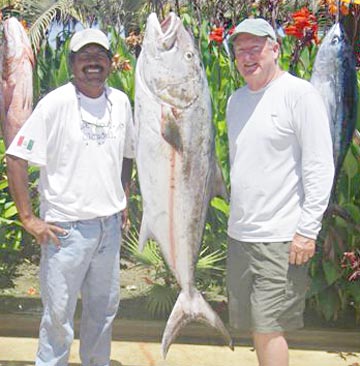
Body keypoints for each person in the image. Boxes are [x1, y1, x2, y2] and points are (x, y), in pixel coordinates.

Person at [6, 28, 136, 366]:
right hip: (66, 231)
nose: (93, 63)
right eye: (84, 57)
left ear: (110, 62)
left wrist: (123, 198)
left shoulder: (120, 102)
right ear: (72, 64)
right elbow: (16, 157)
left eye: (100, 56)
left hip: (109, 229)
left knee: (103, 313)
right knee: (58, 319)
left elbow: (127, 154)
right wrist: (28, 218)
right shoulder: (56, 103)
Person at [226, 18, 334, 366]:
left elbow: (320, 165)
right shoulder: (235, 101)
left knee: (270, 327)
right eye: (240, 50)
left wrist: (307, 231)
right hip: (240, 234)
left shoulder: (300, 95)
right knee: (256, 326)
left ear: (275, 48)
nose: (247, 56)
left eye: (255, 48)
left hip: (281, 237)